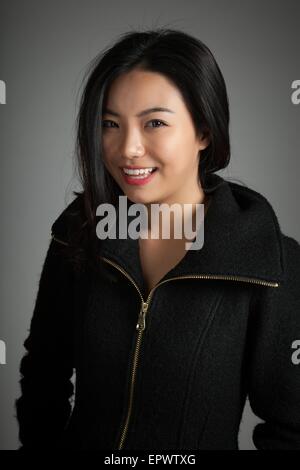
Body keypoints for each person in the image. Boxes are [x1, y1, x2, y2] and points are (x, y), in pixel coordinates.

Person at [15, 28, 300, 450]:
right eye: (110, 124)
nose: (127, 148)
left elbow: (291, 428)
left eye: (155, 123)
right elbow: (43, 374)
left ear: (204, 131)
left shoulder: (271, 264)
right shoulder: (79, 232)